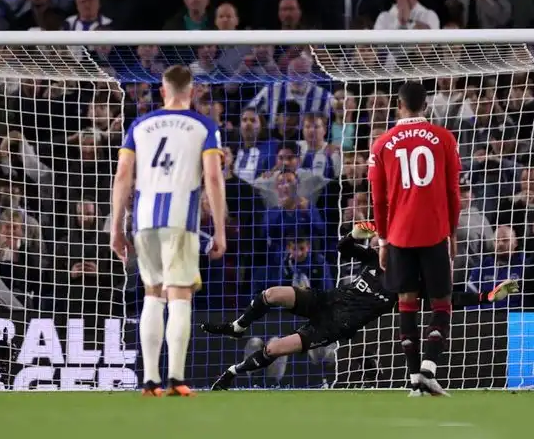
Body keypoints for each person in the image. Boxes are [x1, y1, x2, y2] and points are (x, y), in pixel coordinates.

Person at [203, 223, 518, 391]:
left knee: (274, 349)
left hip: (335, 325)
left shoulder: (409, 289)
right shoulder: (377, 260)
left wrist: (489, 297)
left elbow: (453, 300)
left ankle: (233, 371)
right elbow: (343, 247)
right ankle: (237, 328)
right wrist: (355, 233)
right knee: (272, 293)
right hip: (326, 299)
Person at [110, 65, 227, 397]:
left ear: (163, 91)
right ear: (191, 92)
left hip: (143, 221)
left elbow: (122, 178)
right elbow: (214, 179)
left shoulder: (140, 125)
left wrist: (116, 228)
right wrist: (219, 229)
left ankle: (149, 380)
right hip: (180, 220)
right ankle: (175, 378)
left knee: (152, 292)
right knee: (179, 294)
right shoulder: (203, 125)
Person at [367, 81, 461, 396]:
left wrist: (382, 241)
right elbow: (453, 192)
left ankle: (414, 381)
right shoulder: (445, 139)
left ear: (399, 104)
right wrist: (452, 232)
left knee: (406, 303)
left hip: (399, 235)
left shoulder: (381, 144)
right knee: (441, 304)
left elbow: (378, 200)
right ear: (426, 105)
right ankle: (428, 369)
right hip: (434, 231)